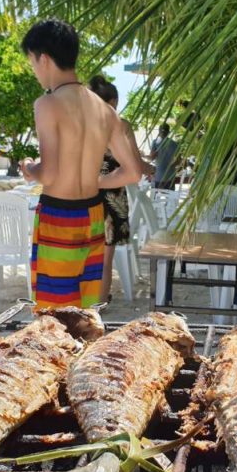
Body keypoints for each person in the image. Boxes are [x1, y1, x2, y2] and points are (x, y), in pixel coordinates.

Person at [18, 19, 143, 309]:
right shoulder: (104, 109)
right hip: (93, 215)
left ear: (44, 58)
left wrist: (28, 169)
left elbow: (48, 172)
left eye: (32, 63)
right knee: (85, 311)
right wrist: (93, 180)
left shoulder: (47, 104)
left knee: (54, 316)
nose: (35, 71)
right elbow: (133, 171)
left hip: (59, 217)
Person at [88, 75, 153, 303]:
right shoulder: (120, 125)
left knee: (85, 256)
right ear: (114, 101)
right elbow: (135, 164)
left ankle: (87, 303)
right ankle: (100, 303)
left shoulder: (82, 126)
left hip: (83, 195)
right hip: (111, 194)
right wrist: (155, 170)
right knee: (105, 260)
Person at [150, 123, 180, 190]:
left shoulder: (155, 142)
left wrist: (142, 155)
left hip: (158, 176)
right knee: (169, 197)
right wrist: (170, 166)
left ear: (159, 131)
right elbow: (178, 161)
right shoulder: (174, 144)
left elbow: (151, 158)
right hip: (170, 176)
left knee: (154, 197)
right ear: (169, 132)